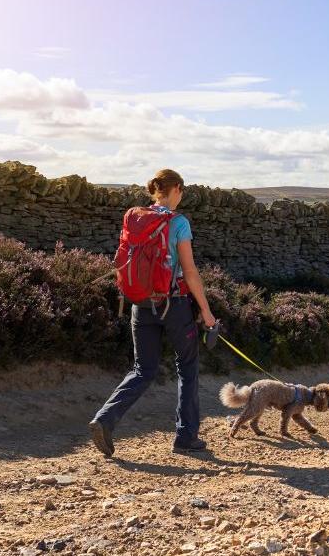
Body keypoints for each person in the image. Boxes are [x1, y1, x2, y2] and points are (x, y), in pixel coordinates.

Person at [88, 169, 218, 456]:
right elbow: (191, 271)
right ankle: (186, 438)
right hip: (174, 304)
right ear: (177, 189)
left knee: (142, 370)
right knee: (187, 369)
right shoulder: (178, 222)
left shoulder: (136, 218)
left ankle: (104, 419)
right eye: (181, 192)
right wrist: (207, 312)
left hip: (140, 303)